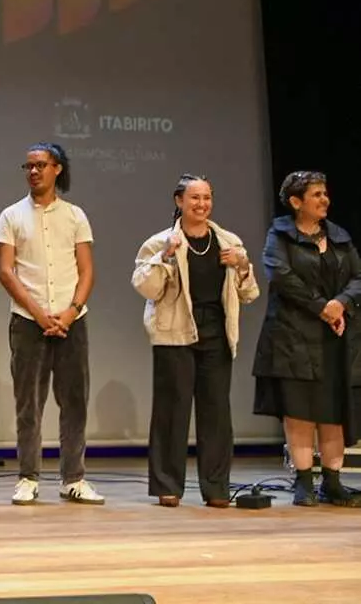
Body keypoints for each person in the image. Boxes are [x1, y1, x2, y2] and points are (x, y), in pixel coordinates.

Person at [132, 174, 259, 508]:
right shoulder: (160, 242)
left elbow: (249, 293)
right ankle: (167, 485)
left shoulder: (228, 241)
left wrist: (242, 265)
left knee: (217, 412)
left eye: (206, 198)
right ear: (179, 202)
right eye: (194, 198)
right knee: (171, 410)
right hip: (174, 333)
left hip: (216, 334)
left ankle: (216, 488)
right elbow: (147, 288)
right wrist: (166, 257)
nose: (202, 205)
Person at [0, 142, 104, 506]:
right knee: (29, 403)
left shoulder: (75, 215)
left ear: (57, 168)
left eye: (40, 165)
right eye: (27, 166)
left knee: (75, 401)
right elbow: (6, 272)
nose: (34, 171)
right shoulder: (11, 215)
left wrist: (71, 311)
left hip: (72, 321)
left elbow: (87, 271)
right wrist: (40, 313)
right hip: (28, 321)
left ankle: (73, 477)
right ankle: (28, 476)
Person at [253, 170, 361, 507]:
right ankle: (303, 482)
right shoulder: (280, 235)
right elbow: (281, 276)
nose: (324, 199)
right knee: (299, 410)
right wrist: (321, 308)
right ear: (297, 202)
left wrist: (339, 304)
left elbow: (358, 276)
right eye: (316, 194)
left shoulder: (340, 237)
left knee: (333, 410)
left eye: (325, 193)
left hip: (335, 336)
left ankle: (332, 482)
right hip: (292, 335)